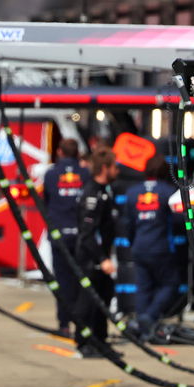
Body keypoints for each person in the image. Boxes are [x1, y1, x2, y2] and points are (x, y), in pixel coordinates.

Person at [121, 155, 183, 341]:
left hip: (140, 246)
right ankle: (150, 317)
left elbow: (128, 223)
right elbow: (180, 221)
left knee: (143, 288)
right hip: (162, 247)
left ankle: (142, 325)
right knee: (171, 284)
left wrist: (133, 242)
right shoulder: (169, 192)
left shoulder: (133, 192)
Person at [73, 146, 120, 357]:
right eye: (114, 167)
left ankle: (101, 341)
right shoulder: (92, 194)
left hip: (103, 256)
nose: (117, 171)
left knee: (104, 297)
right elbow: (87, 233)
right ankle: (83, 342)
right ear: (105, 168)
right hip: (90, 257)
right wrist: (101, 259)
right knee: (88, 300)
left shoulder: (105, 192)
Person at [44, 138, 89, 338]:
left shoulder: (51, 174)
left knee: (62, 281)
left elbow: (46, 201)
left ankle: (63, 324)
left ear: (60, 152)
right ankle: (81, 324)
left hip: (59, 234)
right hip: (80, 235)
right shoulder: (85, 174)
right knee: (81, 280)